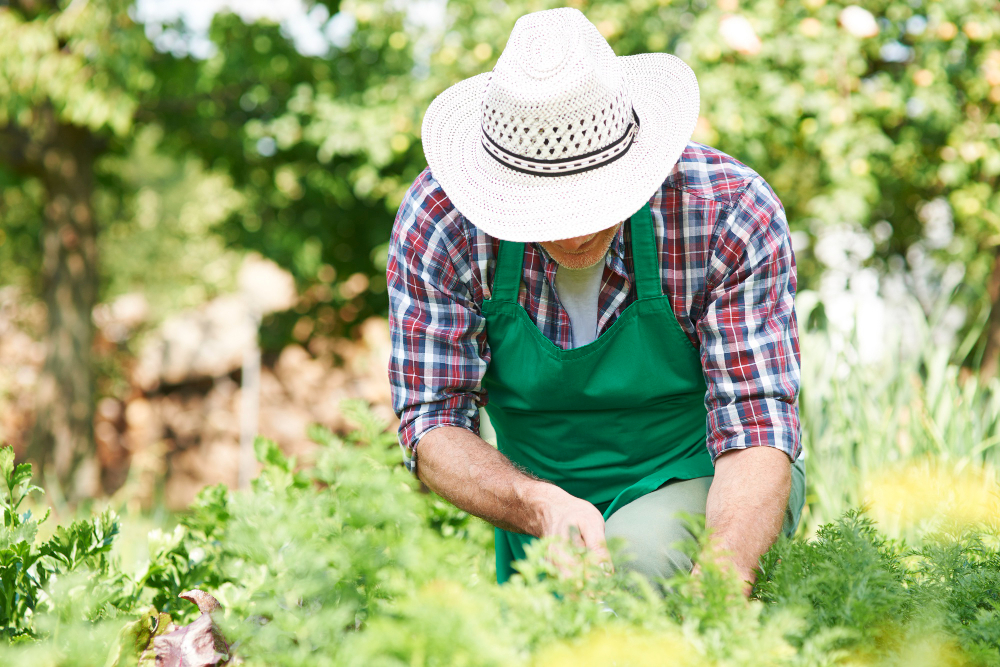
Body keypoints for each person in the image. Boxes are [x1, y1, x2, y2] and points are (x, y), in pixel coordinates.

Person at [387, 7, 805, 591]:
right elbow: (432, 421)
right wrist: (536, 504)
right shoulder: (442, 221)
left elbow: (756, 427)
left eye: (592, 199)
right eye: (543, 205)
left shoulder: (727, 211)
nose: (575, 229)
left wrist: (723, 583)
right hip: (540, 509)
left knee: (637, 562)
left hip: (710, 485)